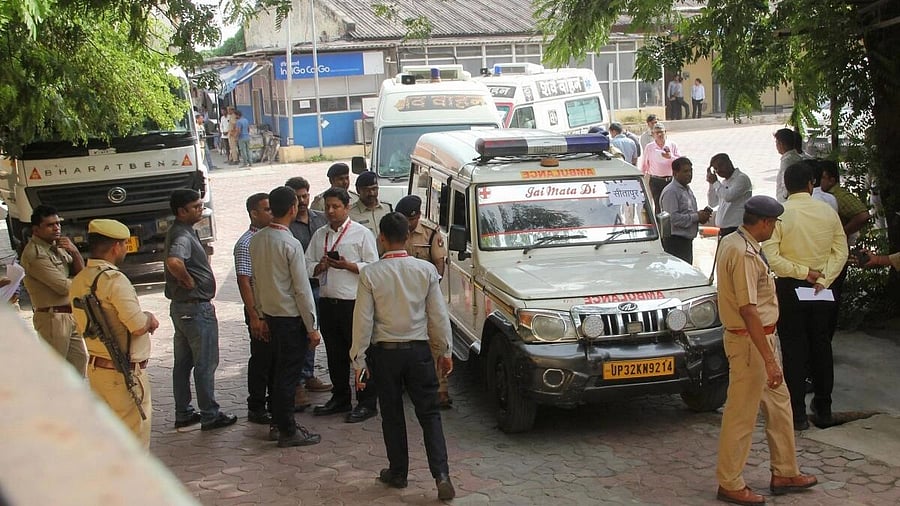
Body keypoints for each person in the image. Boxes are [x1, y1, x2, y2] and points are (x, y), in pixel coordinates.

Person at [715, 195, 817, 506]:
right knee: (741, 415)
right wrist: (770, 361)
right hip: (751, 343)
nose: (774, 229)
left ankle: (785, 471)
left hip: (759, 340)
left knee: (780, 406)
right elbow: (748, 309)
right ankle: (730, 482)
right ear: (765, 223)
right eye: (773, 224)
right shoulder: (744, 253)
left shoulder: (734, 241)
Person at [350, 212, 455, 501]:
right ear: (408, 237)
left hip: (385, 355)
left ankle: (398, 472)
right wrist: (445, 351)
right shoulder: (425, 270)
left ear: (381, 238)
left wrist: (359, 361)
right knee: (430, 414)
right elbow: (438, 316)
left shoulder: (370, 274)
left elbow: (362, 322)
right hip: (419, 352)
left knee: (392, 414)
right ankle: (441, 475)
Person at [762, 162, 848, 430]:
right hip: (823, 288)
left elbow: (772, 258)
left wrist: (802, 272)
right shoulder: (827, 211)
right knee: (821, 346)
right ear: (811, 184)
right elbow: (841, 252)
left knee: (793, 349)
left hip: (790, 288)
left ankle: (797, 414)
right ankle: (824, 409)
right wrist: (823, 278)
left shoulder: (780, 215)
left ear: (786, 187)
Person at [70, 219, 160, 448]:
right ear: (116, 247)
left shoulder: (80, 280)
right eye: (124, 245)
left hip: (98, 370)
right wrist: (149, 317)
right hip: (123, 373)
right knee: (135, 442)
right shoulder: (114, 280)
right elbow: (137, 325)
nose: (126, 250)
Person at [250, 186, 323, 447]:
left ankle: (279, 423)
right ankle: (287, 429)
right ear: (292, 208)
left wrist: (260, 314)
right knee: (288, 376)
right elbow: (302, 289)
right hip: (290, 318)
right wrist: (312, 326)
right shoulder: (290, 243)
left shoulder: (257, 239)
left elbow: (256, 281)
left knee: (277, 372)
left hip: (270, 315)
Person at [165, 189, 237, 431]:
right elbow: (174, 261)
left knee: (183, 363)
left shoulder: (183, 231)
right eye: (195, 206)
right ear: (181, 211)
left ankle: (184, 412)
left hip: (182, 308)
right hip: (195, 309)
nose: (201, 209)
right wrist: (187, 280)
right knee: (204, 363)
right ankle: (210, 414)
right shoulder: (182, 235)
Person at [306, 187, 379, 423]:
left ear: (347, 207)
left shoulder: (361, 234)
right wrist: (320, 266)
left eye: (336, 206)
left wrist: (349, 266)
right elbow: (306, 264)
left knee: (359, 354)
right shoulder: (320, 235)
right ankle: (340, 397)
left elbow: (373, 266)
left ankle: (366, 401)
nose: (330, 211)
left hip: (354, 304)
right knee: (334, 354)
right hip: (328, 302)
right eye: (327, 206)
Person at [395, 195, 452, 408]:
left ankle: (441, 389)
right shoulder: (394, 231)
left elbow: (439, 264)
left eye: (411, 219)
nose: (408, 224)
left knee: (436, 341)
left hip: (426, 297)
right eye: (404, 219)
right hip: (401, 298)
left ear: (418, 216)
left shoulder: (430, 233)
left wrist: (428, 290)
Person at [20, 205, 87, 375]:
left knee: (79, 363)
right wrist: (84, 283)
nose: (56, 228)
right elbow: (63, 287)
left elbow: (80, 273)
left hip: (69, 314)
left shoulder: (57, 246)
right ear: (36, 229)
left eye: (58, 223)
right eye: (50, 225)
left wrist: (75, 252)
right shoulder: (35, 254)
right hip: (52, 318)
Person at [284, 176, 333, 406]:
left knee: (316, 332)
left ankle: (309, 373)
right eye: (298, 197)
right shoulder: (287, 226)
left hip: (324, 284)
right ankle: (298, 383)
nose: (303, 201)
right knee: (303, 333)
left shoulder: (321, 218)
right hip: (300, 287)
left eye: (305, 196)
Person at [234, 193, 276, 425]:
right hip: (259, 310)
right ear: (253, 213)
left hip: (273, 308)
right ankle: (257, 406)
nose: (271, 213)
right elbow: (244, 280)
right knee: (261, 359)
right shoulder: (246, 243)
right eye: (267, 209)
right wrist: (255, 317)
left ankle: (273, 401)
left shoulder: (271, 237)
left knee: (274, 358)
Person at [659, 157, 711, 263]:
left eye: (691, 171)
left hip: (686, 242)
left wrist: (701, 216)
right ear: (675, 173)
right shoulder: (671, 192)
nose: (689, 174)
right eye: (685, 171)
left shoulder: (686, 189)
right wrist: (696, 216)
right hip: (676, 242)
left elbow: (687, 212)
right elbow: (672, 218)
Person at [706, 153, 752, 237]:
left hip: (736, 229)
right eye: (716, 169)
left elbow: (729, 197)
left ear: (729, 163)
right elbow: (712, 203)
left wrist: (715, 182)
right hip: (724, 230)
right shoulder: (722, 183)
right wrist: (711, 183)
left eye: (720, 165)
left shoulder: (741, 178)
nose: (719, 170)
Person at [641, 123, 682, 211]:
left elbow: (680, 161)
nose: (659, 134)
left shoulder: (672, 145)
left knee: (671, 205)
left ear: (665, 132)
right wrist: (642, 179)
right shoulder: (649, 147)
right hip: (656, 181)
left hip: (670, 180)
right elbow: (644, 164)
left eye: (661, 132)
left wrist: (670, 157)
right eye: (657, 133)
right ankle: (659, 220)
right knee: (658, 205)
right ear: (653, 134)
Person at [349, 171, 394, 244]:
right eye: (367, 190)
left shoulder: (387, 208)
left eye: (374, 189)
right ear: (358, 190)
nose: (371, 193)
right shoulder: (350, 213)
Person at [774, 128, 803, 203]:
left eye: (776, 143)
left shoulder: (787, 160)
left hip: (786, 201)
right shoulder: (796, 156)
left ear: (781, 144)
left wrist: (784, 198)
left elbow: (785, 183)